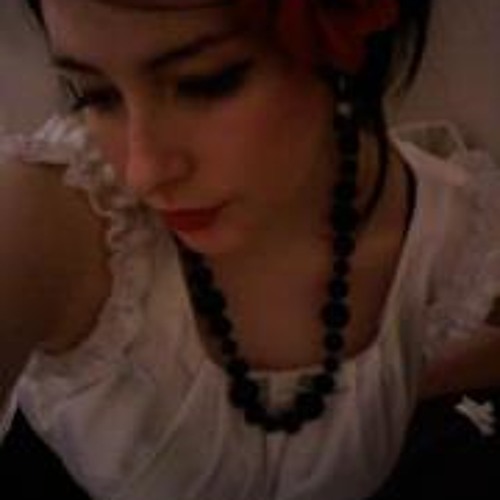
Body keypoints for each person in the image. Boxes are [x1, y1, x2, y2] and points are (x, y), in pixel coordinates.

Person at [1, 1, 500, 499]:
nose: (142, 172)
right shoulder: (58, 209)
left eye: (204, 82)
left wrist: (387, 390)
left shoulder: (447, 234)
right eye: (95, 94)